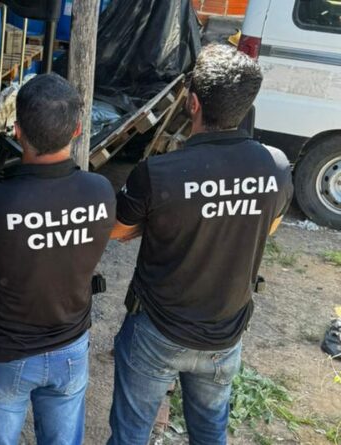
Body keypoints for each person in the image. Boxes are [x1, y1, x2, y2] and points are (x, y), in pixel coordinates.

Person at [107, 44, 293, 445]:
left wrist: (166, 220)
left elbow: (117, 231)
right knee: (210, 434)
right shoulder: (276, 166)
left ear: (193, 103)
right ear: (246, 105)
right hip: (224, 335)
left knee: (130, 435)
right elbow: (269, 227)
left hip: (156, 331)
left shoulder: (156, 172)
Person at [0, 73, 116, 445]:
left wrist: (14, 240)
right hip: (70, 348)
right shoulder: (100, 192)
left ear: (17, 130)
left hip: (3, 354)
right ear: (77, 130)